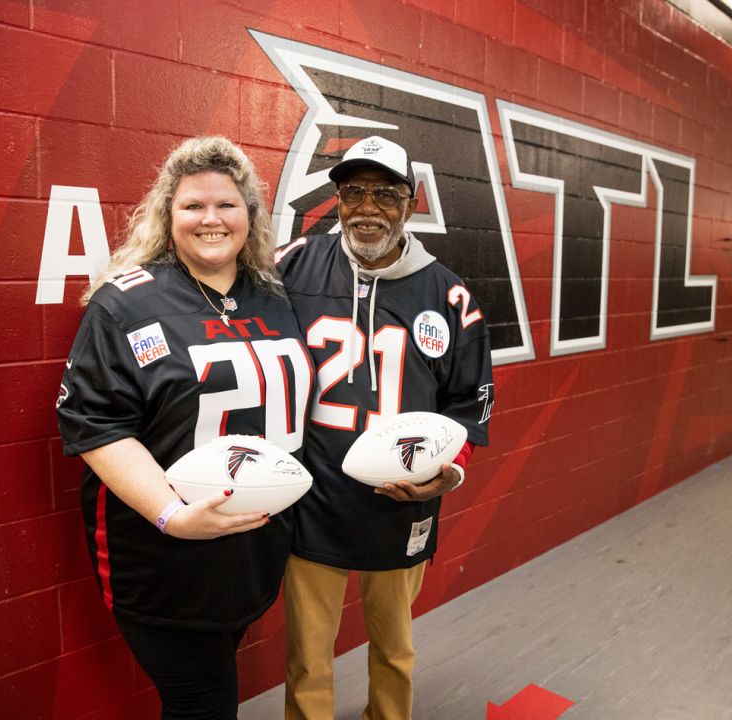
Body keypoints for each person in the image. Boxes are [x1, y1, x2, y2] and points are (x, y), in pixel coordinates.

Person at [56, 136, 314, 720]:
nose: (211, 219)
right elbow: (95, 422)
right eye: (193, 206)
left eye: (227, 204)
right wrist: (172, 517)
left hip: (250, 553)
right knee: (203, 702)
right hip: (161, 553)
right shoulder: (124, 304)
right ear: (166, 216)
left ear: (250, 214)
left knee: (209, 689)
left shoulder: (273, 297)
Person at [276, 135, 495, 720]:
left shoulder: (450, 295)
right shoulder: (291, 265)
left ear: (411, 201)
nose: (367, 207)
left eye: (385, 193)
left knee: (395, 650)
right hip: (312, 494)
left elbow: (469, 405)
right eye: (353, 193)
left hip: (402, 501)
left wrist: (448, 473)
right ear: (339, 200)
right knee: (307, 656)